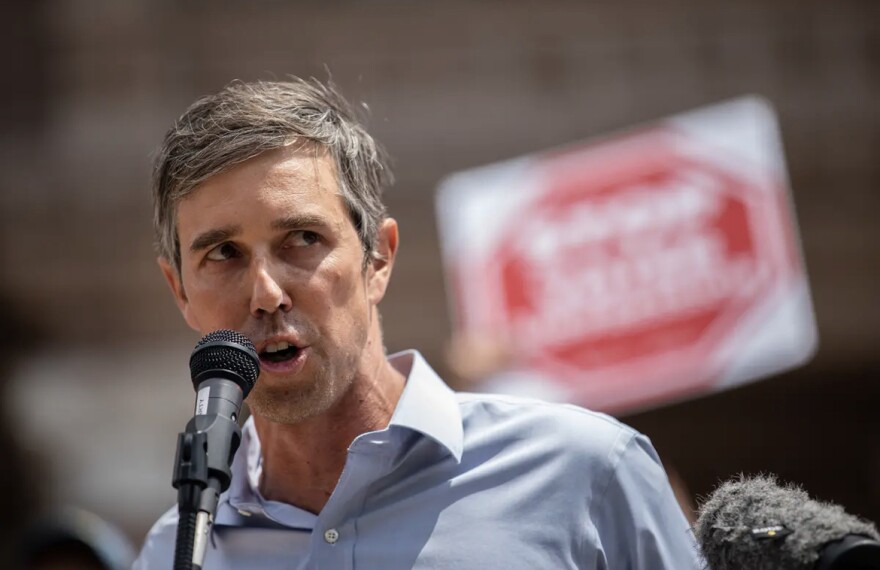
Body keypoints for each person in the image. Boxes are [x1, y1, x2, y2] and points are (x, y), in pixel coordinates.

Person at [134, 77, 704, 569]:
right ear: (180, 290)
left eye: (303, 239)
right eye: (223, 254)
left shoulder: (588, 473)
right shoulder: (175, 553)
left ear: (378, 259)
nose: (266, 293)